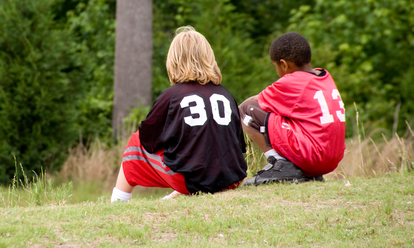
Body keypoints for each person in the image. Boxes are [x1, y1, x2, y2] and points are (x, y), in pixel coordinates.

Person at [111, 26, 247, 202]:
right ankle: (180, 193)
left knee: (135, 145)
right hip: (231, 179)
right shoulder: (226, 94)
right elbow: (238, 144)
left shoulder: (172, 95)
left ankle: (117, 202)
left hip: (192, 180)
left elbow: (147, 140)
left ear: (173, 60)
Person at [239, 32, 345, 185]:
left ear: (284, 64)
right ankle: (301, 171)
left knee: (247, 110)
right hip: (331, 159)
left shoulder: (292, 81)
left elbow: (256, 102)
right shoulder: (324, 77)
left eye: (276, 67)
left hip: (314, 157)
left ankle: (280, 165)